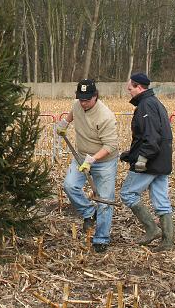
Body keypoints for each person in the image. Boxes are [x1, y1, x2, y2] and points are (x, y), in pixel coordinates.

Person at [56, 79, 119, 253]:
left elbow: (110, 145)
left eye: (87, 100)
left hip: (104, 162)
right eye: (80, 99)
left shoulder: (105, 116)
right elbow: (73, 112)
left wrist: (92, 160)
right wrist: (65, 123)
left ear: (95, 96)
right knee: (70, 185)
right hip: (81, 156)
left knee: (105, 200)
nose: (83, 103)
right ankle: (89, 212)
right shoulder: (78, 105)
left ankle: (101, 238)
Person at [119, 72, 174, 252]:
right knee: (161, 201)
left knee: (128, 194)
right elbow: (156, 134)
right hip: (162, 161)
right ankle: (168, 241)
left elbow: (151, 136)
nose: (129, 92)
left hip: (150, 162)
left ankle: (152, 229)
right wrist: (130, 154)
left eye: (130, 89)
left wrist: (142, 158)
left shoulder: (145, 105)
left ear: (139, 87)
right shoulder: (155, 103)